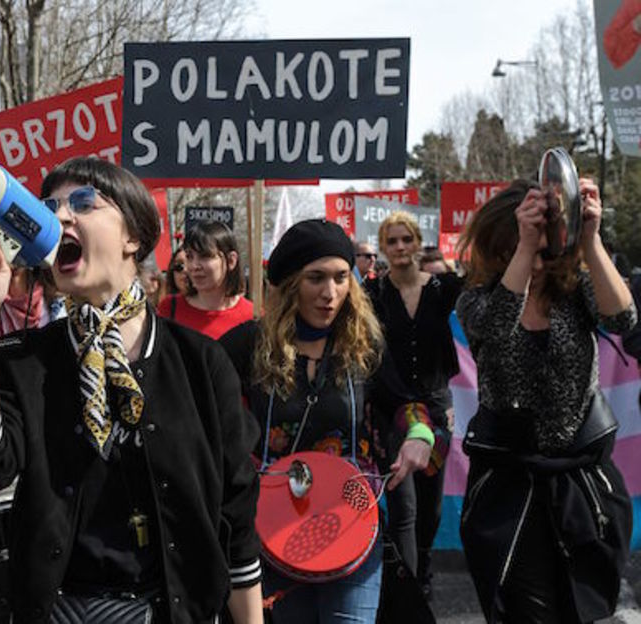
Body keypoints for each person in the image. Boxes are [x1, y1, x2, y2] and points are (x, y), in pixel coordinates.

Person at [0, 157, 264, 623]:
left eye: (85, 203)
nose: (61, 216)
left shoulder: (201, 363)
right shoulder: (25, 362)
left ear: (134, 236)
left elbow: (236, 516)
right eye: (49, 207)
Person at [220, 219, 433, 624]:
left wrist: (418, 436)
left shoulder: (364, 345)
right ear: (288, 285)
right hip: (270, 527)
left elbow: (407, 404)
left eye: (340, 277)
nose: (329, 293)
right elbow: (201, 410)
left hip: (350, 523)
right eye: (315, 278)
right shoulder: (248, 344)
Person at [456, 178, 635, 623]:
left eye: (543, 249)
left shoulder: (576, 293)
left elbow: (623, 318)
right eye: (517, 250)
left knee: (583, 610)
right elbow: (497, 332)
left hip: (582, 486)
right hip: (509, 491)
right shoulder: (475, 301)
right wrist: (523, 245)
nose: (536, 261)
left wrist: (589, 240)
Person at [363, 211, 462, 598]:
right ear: (383, 248)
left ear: (418, 242)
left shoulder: (443, 287)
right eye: (392, 241)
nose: (401, 247)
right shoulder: (371, 293)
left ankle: (423, 563)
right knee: (402, 504)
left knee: (430, 504)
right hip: (392, 407)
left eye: (407, 239)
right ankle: (408, 587)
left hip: (437, 406)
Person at [157, 221, 253, 339]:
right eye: (189, 256)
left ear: (231, 261)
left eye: (205, 256)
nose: (194, 266)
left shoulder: (252, 315)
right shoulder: (170, 308)